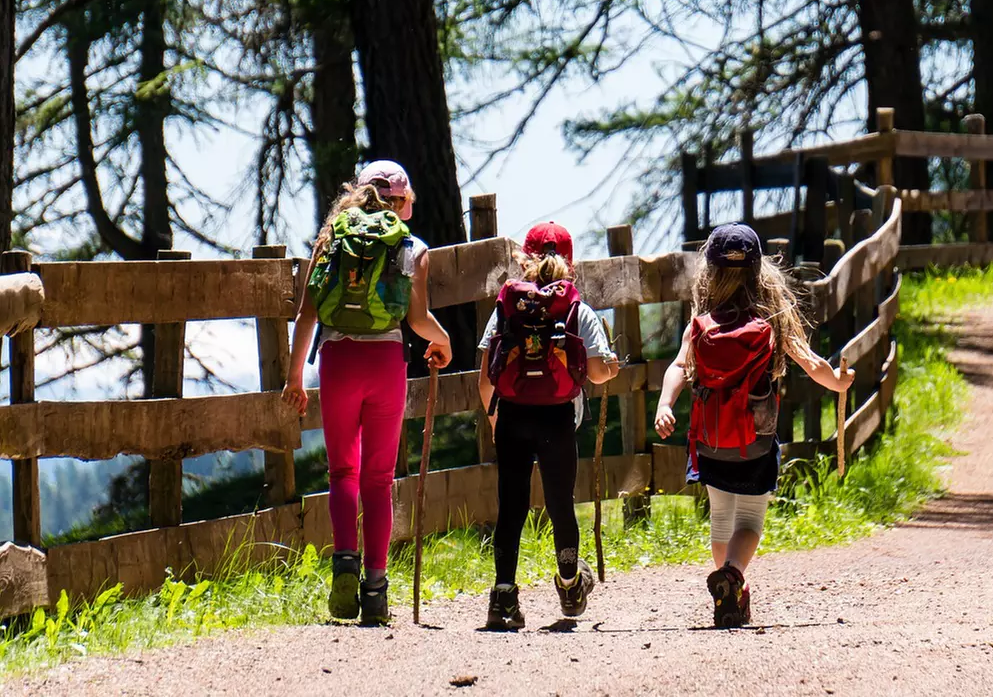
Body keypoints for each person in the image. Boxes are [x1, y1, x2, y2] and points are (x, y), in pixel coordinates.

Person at [654, 223, 853, 628]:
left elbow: (679, 366)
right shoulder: (771, 317)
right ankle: (732, 576)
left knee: (721, 518)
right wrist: (837, 381)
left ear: (708, 272)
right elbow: (809, 361)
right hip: (756, 442)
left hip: (710, 442)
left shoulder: (702, 321)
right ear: (759, 270)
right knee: (749, 522)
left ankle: (730, 592)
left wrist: (664, 403)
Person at [282, 161, 452, 626]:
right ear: (403, 201)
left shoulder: (331, 239)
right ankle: (375, 589)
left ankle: (343, 565)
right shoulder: (412, 248)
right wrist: (444, 341)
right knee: (378, 480)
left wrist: (295, 377)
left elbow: (306, 315)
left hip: (338, 361)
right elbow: (417, 320)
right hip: (385, 365)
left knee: (343, 473)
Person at [477, 222, 620, 630]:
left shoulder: (506, 308)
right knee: (560, 505)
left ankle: (503, 597)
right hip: (557, 417)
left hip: (513, 415)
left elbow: (486, 375)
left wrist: (493, 418)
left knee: (512, 508)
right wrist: (611, 366)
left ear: (524, 259)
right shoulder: (577, 309)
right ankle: (571, 586)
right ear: (570, 262)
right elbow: (595, 372)